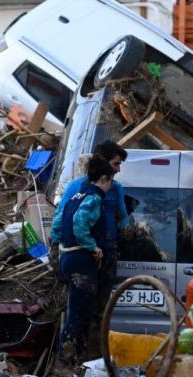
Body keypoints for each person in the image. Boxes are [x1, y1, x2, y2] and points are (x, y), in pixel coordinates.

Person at [53, 141, 130, 351]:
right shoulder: (79, 188)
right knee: (80, 308)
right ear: (103, 163)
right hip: (84, 255)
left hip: (107, 253)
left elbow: (123, 219)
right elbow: (63, 219)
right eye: (115, 164)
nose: (118, 169)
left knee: (101, 308)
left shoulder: (117, 189)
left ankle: (94, 355)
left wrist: (133, 233)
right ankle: (74, 354)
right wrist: (63, 248)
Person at [50, 154, 115, 362]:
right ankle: (68, 360)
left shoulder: (74, 197)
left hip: (67, 259)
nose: (110, 187)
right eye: (110, 181)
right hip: (82, 262)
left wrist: (61, 244)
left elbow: (57, 226)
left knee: (74, 310)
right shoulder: (94, 198)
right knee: (80, 315)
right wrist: (93, 247)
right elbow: (80, 223)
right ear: (104, 179)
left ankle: (73, 357)